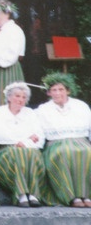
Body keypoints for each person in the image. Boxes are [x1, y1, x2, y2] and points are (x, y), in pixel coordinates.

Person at [0, 82, 46, 208]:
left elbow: (39, 136)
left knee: (29, 153)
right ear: (9, 97)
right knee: (17, 153)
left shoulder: (31, 114)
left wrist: (26, 143)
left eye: (23, 97)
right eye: (17, 96)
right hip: (3, 152)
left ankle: (32, 194)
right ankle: (21, 194)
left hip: (28, 149)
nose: (20, 100)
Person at [35, 72, 91, 208]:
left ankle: (86, 195)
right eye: (53, 90)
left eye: (61, 89)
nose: (57, 93)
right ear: (48, 93)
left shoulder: (80, 106)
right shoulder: (43, 110)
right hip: (56, 144)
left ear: (68, 90)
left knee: (86, 152)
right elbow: (38, 131)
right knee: (64, 152)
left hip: (81, 141)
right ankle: (71, 196)